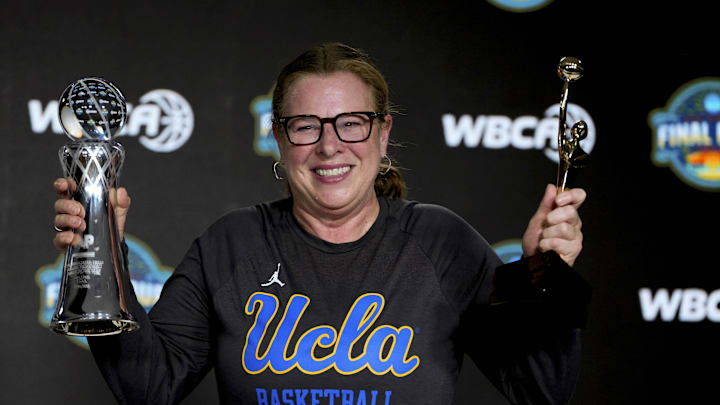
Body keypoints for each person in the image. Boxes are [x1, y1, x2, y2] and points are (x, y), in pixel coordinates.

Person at [52, 43, 587, 405]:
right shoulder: (232, 244)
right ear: (280, 140)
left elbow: (542, 391)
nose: (330, 146)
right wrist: (106, 258)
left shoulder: (441, 242)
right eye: (306, 126)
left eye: (351, 123)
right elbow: (148, 386)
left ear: (382, 134)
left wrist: (544, 278)